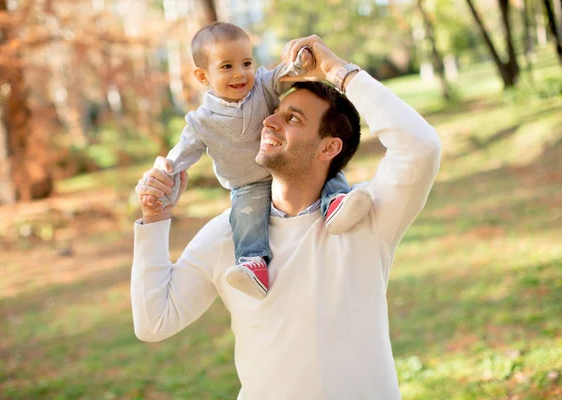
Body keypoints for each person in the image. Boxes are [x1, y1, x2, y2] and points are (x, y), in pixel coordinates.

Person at [132, 34, 441, 399]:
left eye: (291, 118)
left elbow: (420, 147)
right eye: (273, 113)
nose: (269, 123)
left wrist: (335, 70)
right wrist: (155, 219)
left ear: (328, 147)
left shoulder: (367, 216)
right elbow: (154, 322)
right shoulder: (228, 234)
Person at [155, 22, 372, 300]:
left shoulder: (262, 86)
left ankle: (337, 203)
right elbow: (182, 153)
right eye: (226, 67)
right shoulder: (202, 122)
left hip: (285, 167)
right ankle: (253, 264)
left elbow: (286, 74)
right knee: (246, 216)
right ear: (202, 75)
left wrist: (300, 60)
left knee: (325, 170)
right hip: (247, 183)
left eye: (246, 63)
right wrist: (166, 169)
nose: (240, 73)